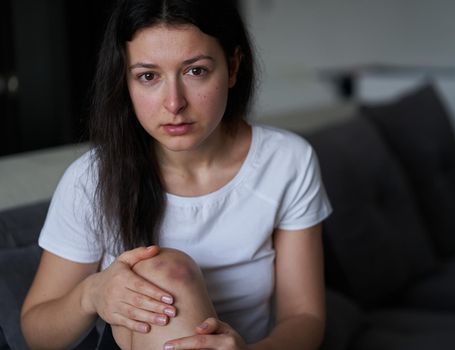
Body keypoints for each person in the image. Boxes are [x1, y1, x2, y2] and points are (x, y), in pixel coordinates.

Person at [20, 0, 332, 349]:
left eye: (195, 71)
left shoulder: (287, 160)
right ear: (126, 82)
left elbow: (304, 317)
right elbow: (37, 334)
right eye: (148, 76)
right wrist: (91, 294)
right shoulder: (91, 179)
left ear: (232, 67)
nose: (174, 103)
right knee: (162, 270)